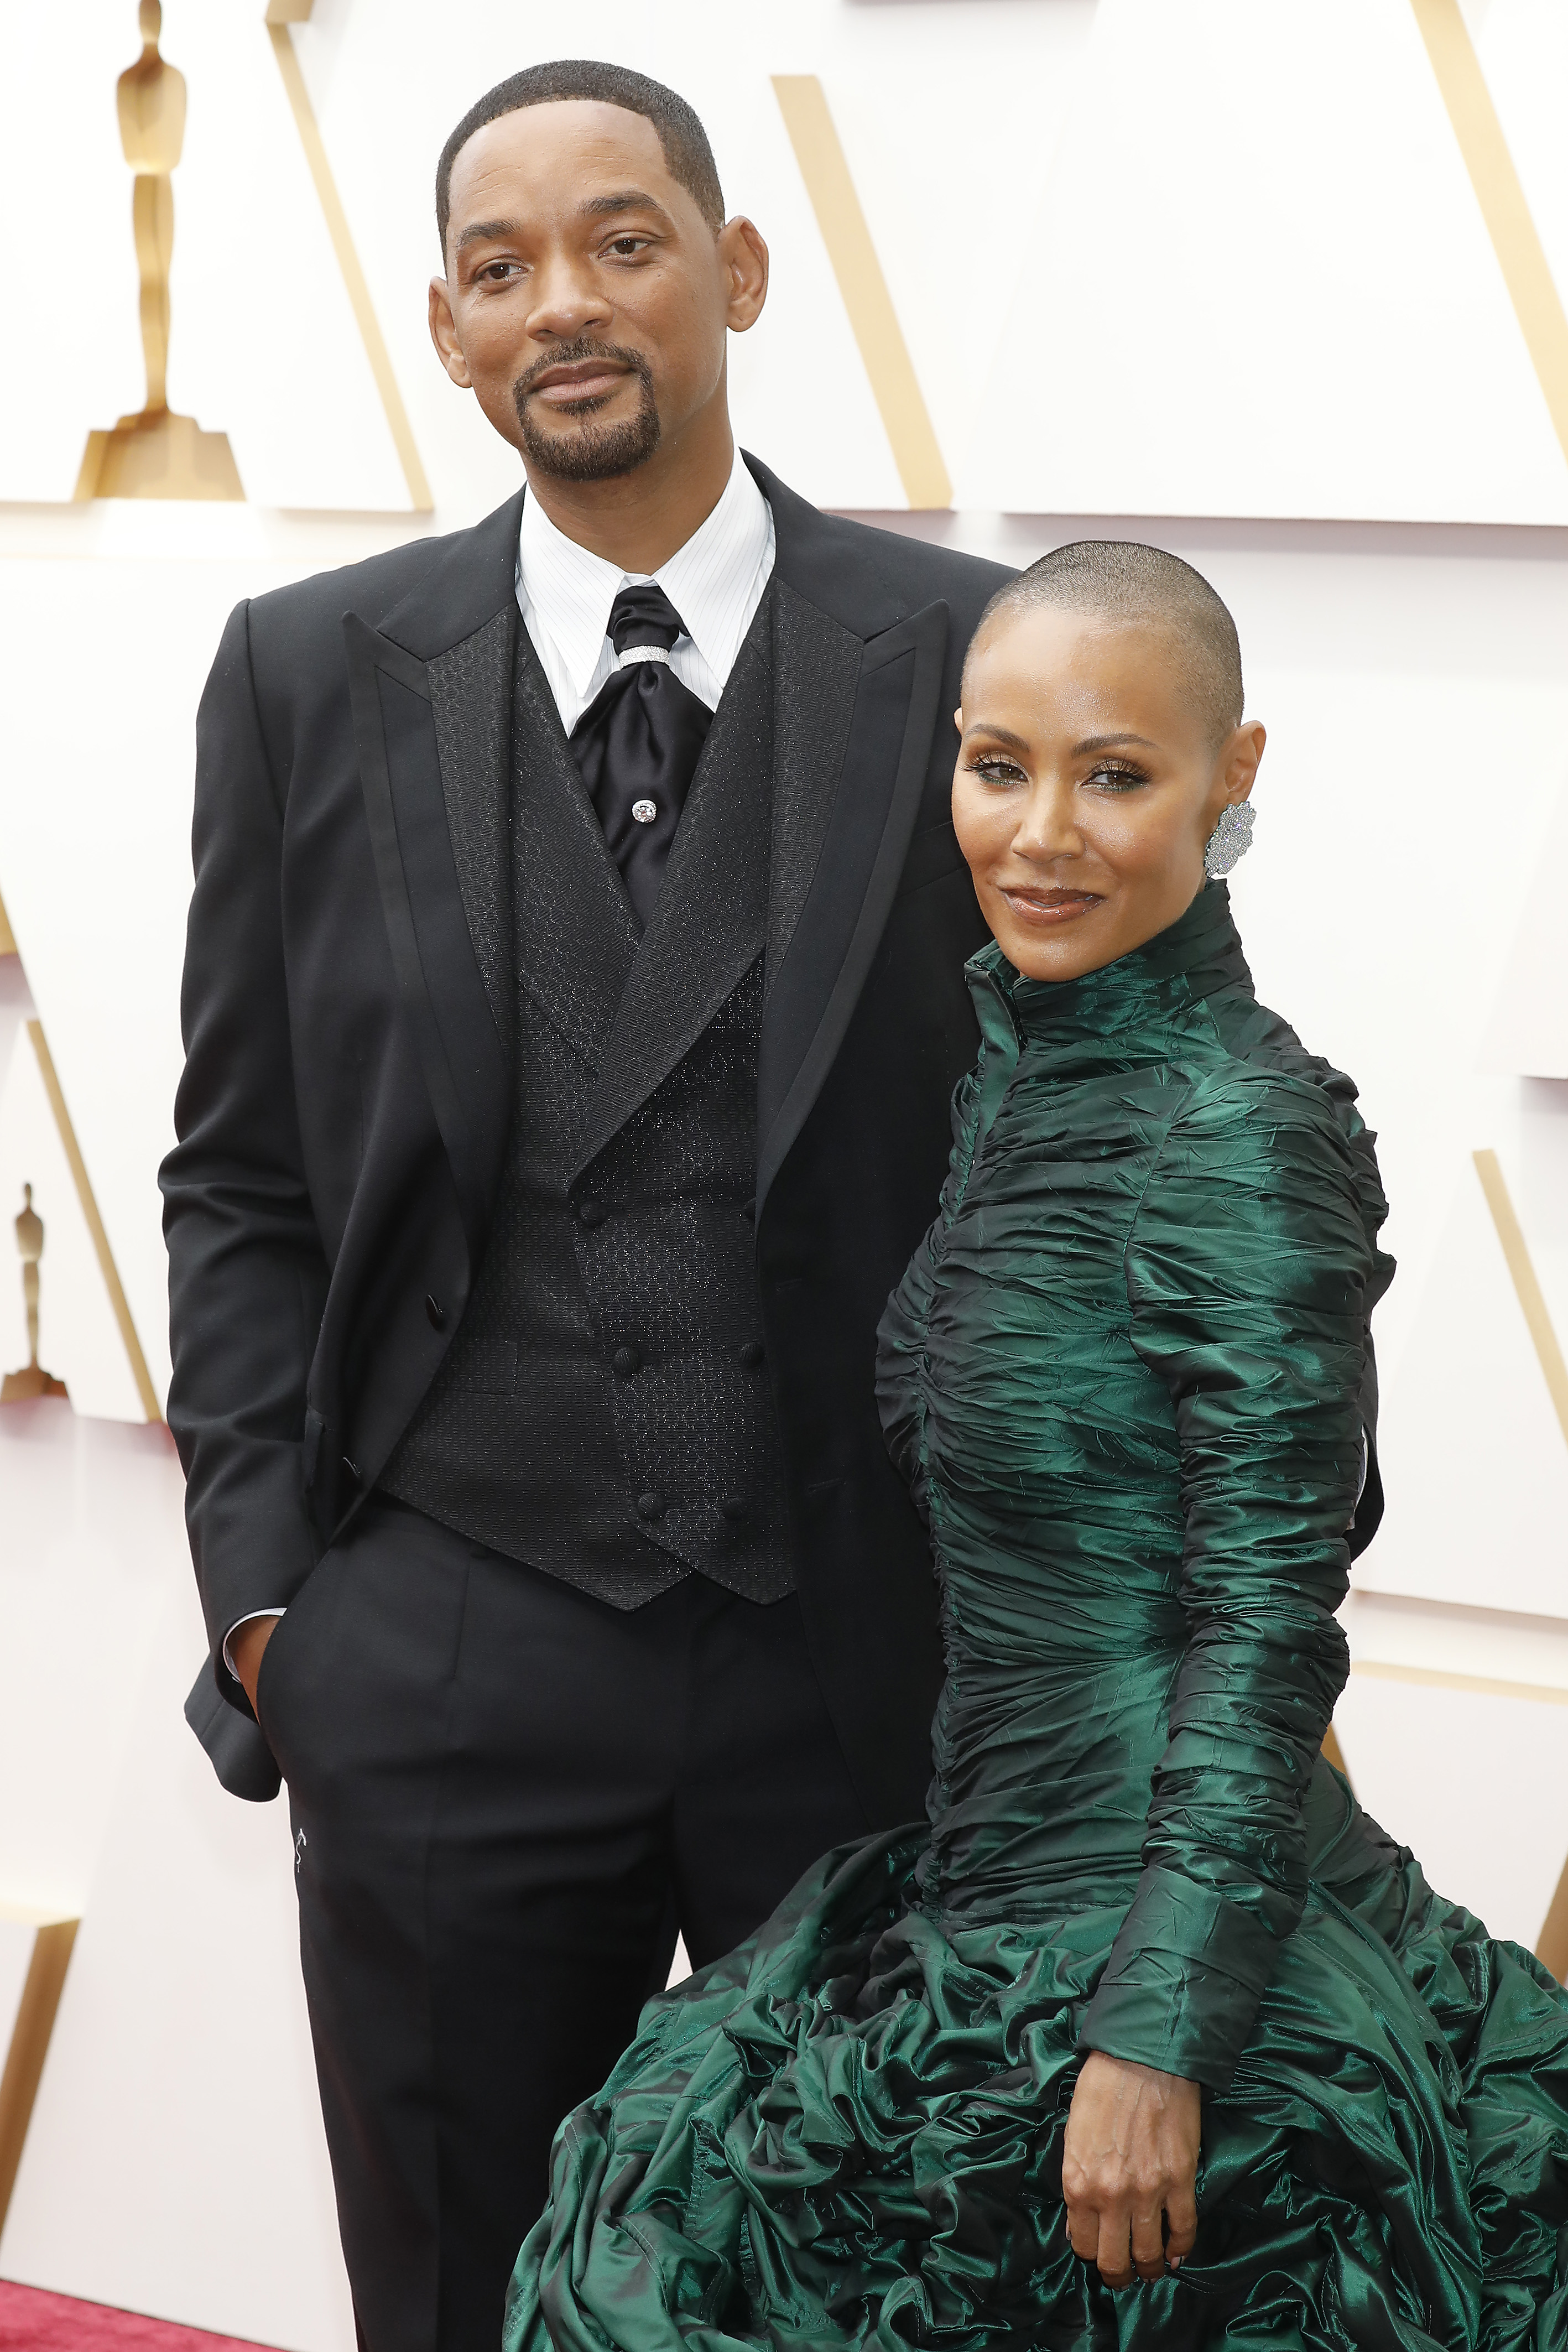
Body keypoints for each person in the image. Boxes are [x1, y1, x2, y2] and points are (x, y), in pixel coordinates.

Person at [160, 59, 1017, 2352]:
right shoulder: (308, 671)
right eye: (500, 264)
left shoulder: (965, 661)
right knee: (450, 2303)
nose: (565, 301)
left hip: (853, 1665)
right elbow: (238, 1175)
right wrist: (275, 1615)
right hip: (447, 1647)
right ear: (445, 328)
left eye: (624, 242)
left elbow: (1090, 1160)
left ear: (735, 273)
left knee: (863, 2301)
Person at [501, 544, 1568, 2348]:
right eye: (999, 766)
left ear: (1232, 775)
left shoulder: (1236, 1127)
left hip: (1162, 1971)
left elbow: (1261, 1619)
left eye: (1116, 773)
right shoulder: (1028, 1067)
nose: (1041, 832)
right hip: (972, 1899)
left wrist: (1156, 2034)